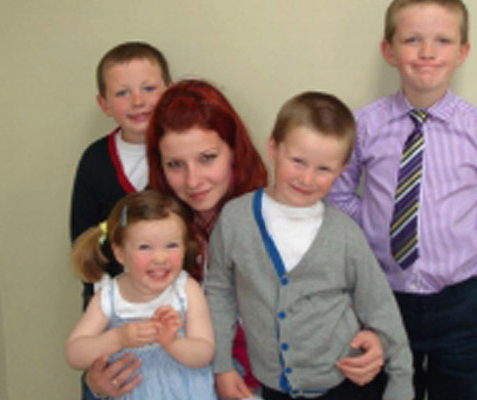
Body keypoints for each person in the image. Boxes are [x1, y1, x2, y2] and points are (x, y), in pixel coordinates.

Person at [77, 80, 383, 399]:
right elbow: (106, 313)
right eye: (175, 165)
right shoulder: (149, 227)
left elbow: (340, 297)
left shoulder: (286, 207)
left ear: (234, 150)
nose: (194, 180)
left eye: (208, 158)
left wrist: (372, 335)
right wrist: (95, 378)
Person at [327, 1, 477, 399]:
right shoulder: (364, 125)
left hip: (459, 304)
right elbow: (337, 192)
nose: (427, 52)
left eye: (442, 40)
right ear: (389, 51)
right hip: (379, 299)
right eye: (412, 40)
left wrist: (468, 231)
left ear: (462, 52)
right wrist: (373, 225)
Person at [206, 91, 414, 400]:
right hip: (274, 386)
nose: (307, 178)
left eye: (323, 169)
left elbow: (380, 305)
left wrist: (400, 381)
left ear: (342, 170)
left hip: (344, 382)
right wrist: (222, 365)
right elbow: (219, 291)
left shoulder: (345, 234)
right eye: (298, 161)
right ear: (273, 148)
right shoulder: (235, 218)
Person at [65, 191, 216, 400]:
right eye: (145, 247)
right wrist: (118, 338)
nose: (161, 258)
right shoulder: (109, 297)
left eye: (172, 245)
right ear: (120, 254)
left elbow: (204, 352)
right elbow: (74, 354)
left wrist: (172, 343)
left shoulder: (187, 289)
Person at [71, 41, 172, 309]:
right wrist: (96, 305)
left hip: (179, 298)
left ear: (170, 92)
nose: (138, 101)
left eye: (148, 89)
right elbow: (83, 239)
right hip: (117, 301)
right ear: (104, 104)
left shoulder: (184, 151)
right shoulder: (95, 160)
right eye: (122, 93)